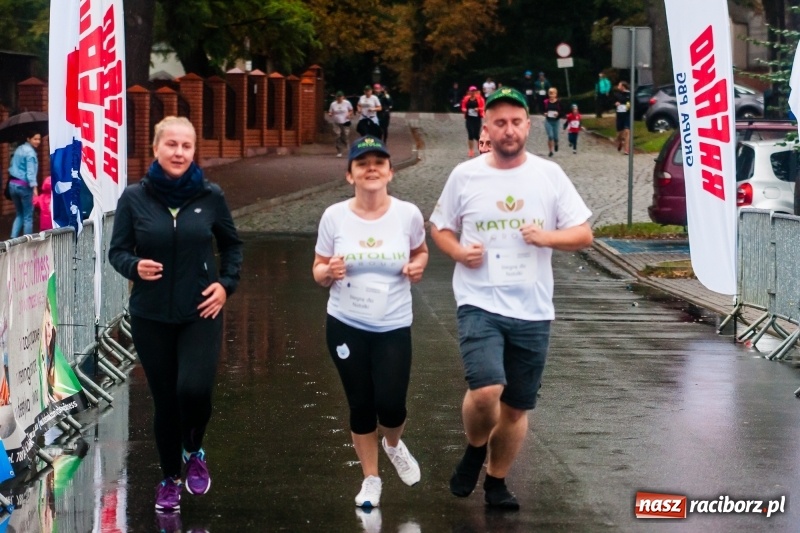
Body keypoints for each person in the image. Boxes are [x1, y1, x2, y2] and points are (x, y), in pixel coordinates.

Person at [429, 87, 593, 510]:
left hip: (533, 307)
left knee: (517, 408)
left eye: (516, 122)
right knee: (486, 390)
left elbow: (583, 234)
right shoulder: (465, 176)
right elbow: (440, 227)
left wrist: (547, 237)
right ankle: (474, 449)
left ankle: (497, 481)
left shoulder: (549, 175)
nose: (508, 130)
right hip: (479, 301)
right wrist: (458, 252)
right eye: (499, 122)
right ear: (486, 127)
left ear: (528, 126)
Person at [109, 116, 243, 513]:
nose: (179, 152)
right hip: (151, 316)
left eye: (186, 146)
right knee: (166, 402)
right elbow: (118, 250)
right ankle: (169, 478)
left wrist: (226, 285)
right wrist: (135, 267)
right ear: (155, 148)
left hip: (201, 310)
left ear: (193, 150)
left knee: (194, 390)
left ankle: (194, 447)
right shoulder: (134, 198)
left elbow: (232, 245)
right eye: (172, 145)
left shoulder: (210, 196)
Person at [313, 135, 429, 509]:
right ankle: (371, 479)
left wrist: (417, 267)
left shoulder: (407, 214)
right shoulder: (335, 216)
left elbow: (421, 252)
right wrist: (328, 270)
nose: (371, 169)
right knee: (361, 404)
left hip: (393, 324)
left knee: (392, 405)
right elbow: (317, 271)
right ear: (350, 175)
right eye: (362, 164)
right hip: (346, 323)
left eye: (379, 162)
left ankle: (393, 445)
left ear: (390, 172)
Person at [8, 131, 41, 238]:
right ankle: (28, 241)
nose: (38, 142)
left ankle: (13, 239)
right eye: (35, 139)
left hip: (12, 185)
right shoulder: (30, 153)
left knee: (19, 214)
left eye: (39, 139)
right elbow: (30, 173)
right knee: (28, 216)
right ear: (28, 139)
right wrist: (34, 187)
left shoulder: (18, 149)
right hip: (24, 186)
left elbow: (12, 165)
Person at [461, 86, 485, 158]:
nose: (473, 92)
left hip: (477, 119)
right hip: (469, 119)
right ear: (469, 92)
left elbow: (483, 107)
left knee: (476, 135)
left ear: (476, 92)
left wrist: (478, 109)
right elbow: (463, 107)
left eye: (474, 91)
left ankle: (481, 149)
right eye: (471, 91)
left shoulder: (480, 99)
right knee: (470, 134)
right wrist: (464, 110)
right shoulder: (466, 99)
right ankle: (471, 150)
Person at [329, 91, 354, 157]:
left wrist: (349, 114)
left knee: (345, 135)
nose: (339, 99)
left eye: (340, 97)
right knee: (337, 135)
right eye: (338, 98)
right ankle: (339, 151)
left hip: (345, 121)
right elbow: (331, 111)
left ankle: (348, 148)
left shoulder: (347, 103)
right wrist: (330, 114)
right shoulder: (333, 104)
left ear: (343, 97)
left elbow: (351, 110)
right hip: (336, 122)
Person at [543, 87, 563, 157]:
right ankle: (550, 151)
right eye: (550, 93)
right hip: (548, 121)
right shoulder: (546, 102)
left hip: (556, 121)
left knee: (556, 137)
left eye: (552, 93)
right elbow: (542, 109)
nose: (551, 95)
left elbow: (563, 112)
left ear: (556, 94)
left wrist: (558, 114)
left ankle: (556, 143)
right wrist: (544, 113)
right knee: (550, 136)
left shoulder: (559, 102)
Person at [614, 81, 631, 155]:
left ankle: (626, 150)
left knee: (627, 132)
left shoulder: (630, 94)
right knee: (619, 134)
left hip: (627, 115)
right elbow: (612, 102)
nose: (618, 87)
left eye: (619, 85)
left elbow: (634, 103)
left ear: (623, 87)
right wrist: (615, 104)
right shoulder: (617, 95)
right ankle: (620, 142)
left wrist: (629, 106)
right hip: (619, 116)